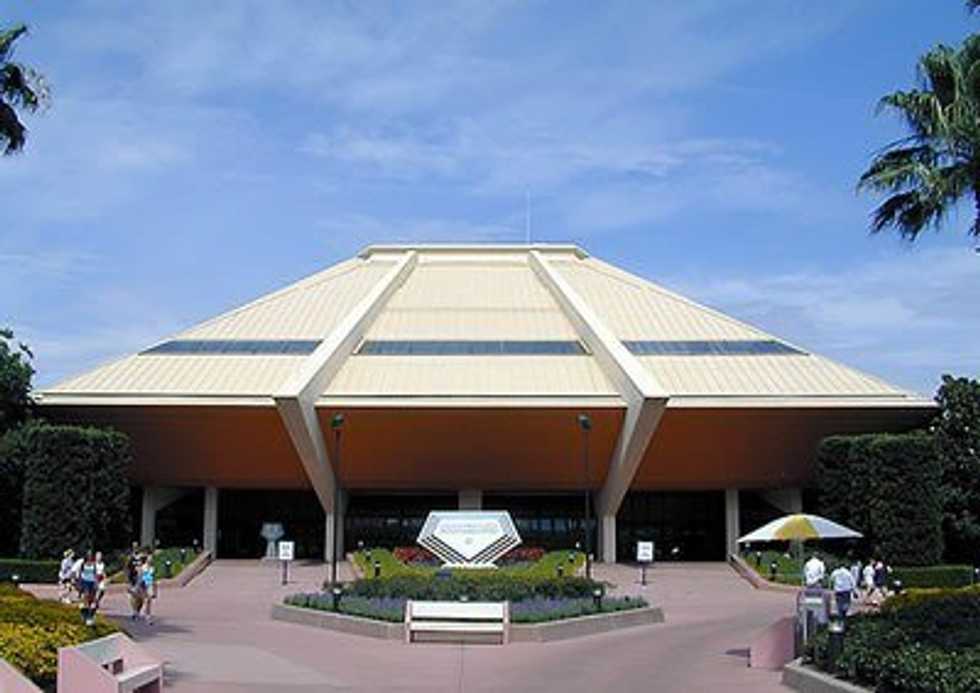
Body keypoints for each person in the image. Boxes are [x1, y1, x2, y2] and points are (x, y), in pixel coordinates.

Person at [76, 551, 99, 626]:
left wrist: (96, 582)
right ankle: (85, 611)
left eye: (90, 556)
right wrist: (79, 583)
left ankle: (90, 612)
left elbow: (95, 574)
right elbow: (80, 573)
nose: (89, 557)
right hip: (85, 581)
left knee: (91, 597)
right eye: (88, 556)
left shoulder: (94, 564)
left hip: (91, 582)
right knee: (86, 595)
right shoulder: (83, 564)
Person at [141, 555, 156, 625]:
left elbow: (153, 577)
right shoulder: (143, 567)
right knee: (146, 600)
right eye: (149, 559)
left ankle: (147, 614)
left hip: (150, 584)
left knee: (149, 600)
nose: (150, 560)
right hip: (144, 584)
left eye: (151, 559)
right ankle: (146, 614)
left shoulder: (152, 568)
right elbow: (141, 576)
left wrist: (155, 588)